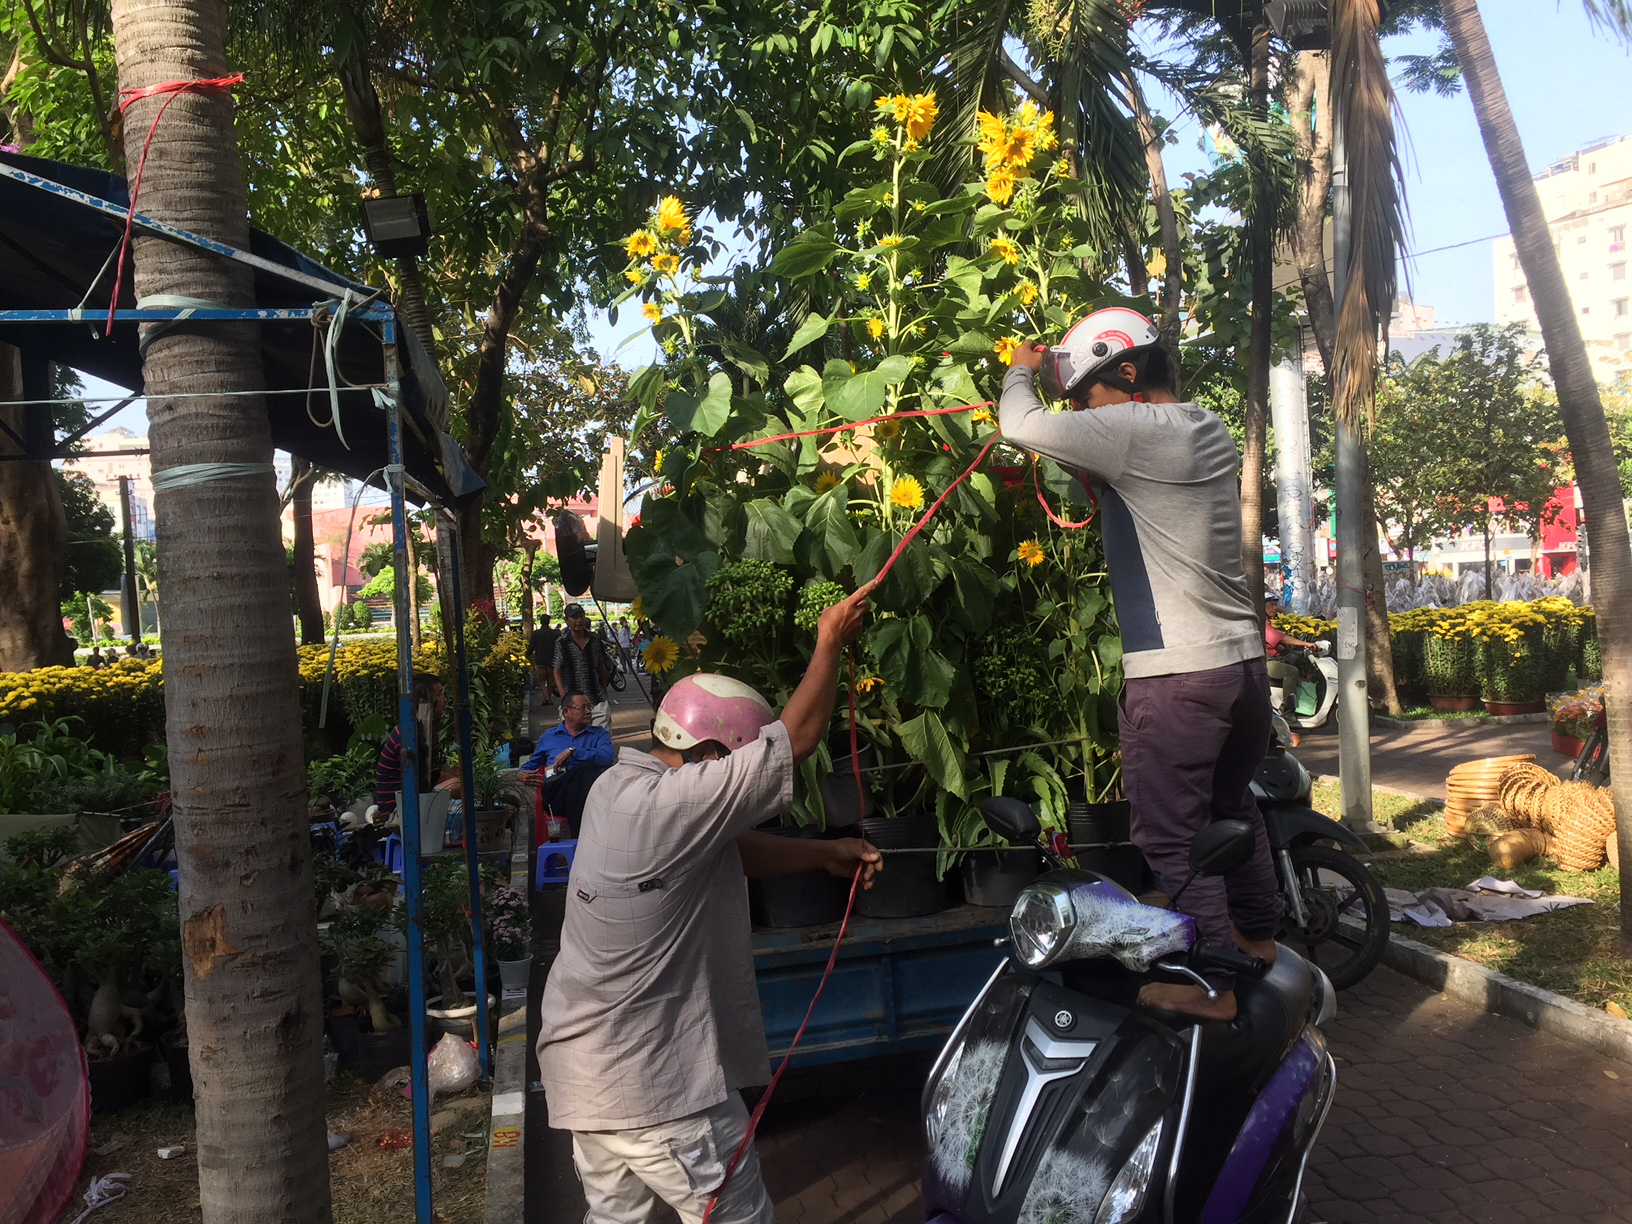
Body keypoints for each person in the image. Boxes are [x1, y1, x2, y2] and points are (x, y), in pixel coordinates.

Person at [537, 584, 883, 1224]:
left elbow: (724, 850)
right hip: (657, 1083)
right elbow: (797, 739)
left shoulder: (622, 785)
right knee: (739, 1216)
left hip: (587, 1073)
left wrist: (820, 853)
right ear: (709, 758)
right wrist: (829, 644)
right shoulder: (677, 802)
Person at [1001, 306, 1282, 1022]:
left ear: (1126, 371)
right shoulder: (1204, 427)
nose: (1085, 413)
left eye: (1088, 394)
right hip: (1242, 668)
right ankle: (1257, 939)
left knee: (1168, 832)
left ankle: (1213, 982)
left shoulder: (1131, 431)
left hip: (1178, 676)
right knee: (1228, 807)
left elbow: (1020, 426)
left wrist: (1023, 369)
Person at [518, 690, 616, 835]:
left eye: (590, 707)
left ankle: (578, 840)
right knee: (583, 769)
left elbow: (608, 757)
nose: (589, 712)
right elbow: (531, 764)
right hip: (556, 794)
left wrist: (574, 752)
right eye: (583, 708)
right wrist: (520, 774)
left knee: (579, 779)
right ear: (566, 712)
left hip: (588, 794)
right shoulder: (549, 736)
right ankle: (585, 841)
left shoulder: (599, 734)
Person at [374, 672, 460, 818]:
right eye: (439, 695)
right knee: (458, 784)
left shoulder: (426, 731)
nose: (444, 700)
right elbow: (421, 781)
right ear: (424, 700)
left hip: (416, 800)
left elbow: (442, 772)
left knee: (460, 782)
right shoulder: (409, 735)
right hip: (396, 810)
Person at [1263, 597, 1325, 742]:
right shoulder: (1263, 624)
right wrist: (1306, 643)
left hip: (1271, 658)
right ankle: (1287, 711)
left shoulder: (1267, 623)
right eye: (1271, 605)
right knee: (1291, 671)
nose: (1275, 608)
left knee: (1295, 660)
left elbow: (1278, 644)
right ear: (1262, 606)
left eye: (1275, 605)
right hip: (1266, 662)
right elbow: (1281, 638)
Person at [553, 603, 614, 728]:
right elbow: (557, 669)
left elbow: (601, 666)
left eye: (581, 617)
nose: (578, 621)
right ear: (567, 621)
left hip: (597, 700)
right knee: (576, 742)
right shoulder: (561, 643)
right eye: (574, 617)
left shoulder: (594, 640)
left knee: (602, 740)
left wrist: (604, 691)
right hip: (573, 705)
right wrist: (563, 694)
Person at [528, 614, 560, 702]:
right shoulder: (554, 633)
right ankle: (549, 698)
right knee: (551, 681)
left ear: (541, 622)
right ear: (549, 622)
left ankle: (545, 697)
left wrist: (527, 655)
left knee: (540, 680)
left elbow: (531, 647)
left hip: (539, 660)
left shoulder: (536, 634)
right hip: (551, 660)